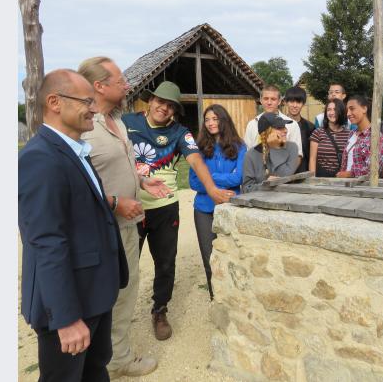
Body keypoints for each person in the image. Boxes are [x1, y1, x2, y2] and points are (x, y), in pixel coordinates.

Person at [19, 69, 129, 382]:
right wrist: (66, 318)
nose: (94, 109)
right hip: (70, 305)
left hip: (93, 293)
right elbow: (46, 241)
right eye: (86, 101)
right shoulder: (40, 158)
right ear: (54, 102)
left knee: (95, 371)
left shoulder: (74, 150)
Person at [123, 81, 235, 341]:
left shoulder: (179, 132)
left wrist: (213, 190)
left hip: (165, 207)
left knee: (165, 263)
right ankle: (119, 317)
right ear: (150, 101)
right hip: (130, 207)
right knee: (126, 266)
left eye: (170, 105)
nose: (164, 108)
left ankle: (160, 310)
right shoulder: (126, 123)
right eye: (160, 101)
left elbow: (196, 161)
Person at [78, 57, 168, 378]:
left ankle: (112, 357)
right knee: (106, 295)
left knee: (125, 292)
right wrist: (115, 203)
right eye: (120, 80)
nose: (127, 85)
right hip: (102, 230)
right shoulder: (84, 127)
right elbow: (76, 183)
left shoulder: (115, 120)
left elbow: (114, 167)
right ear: (99, 86)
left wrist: (143, 181)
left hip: (126, 226)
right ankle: (114, 360)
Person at [189, 104, 247, 301]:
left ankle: (235, 298)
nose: (211, 123)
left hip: (230, 208)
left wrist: (209, 176)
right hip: (204, 209)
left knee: (233, 255)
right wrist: (221, 178)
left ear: (224, 120)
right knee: (209, 257)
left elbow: (239, 177)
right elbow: (193, 181)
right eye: (207, 120)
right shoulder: (198, 149)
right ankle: (216, 298)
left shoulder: (240, 146)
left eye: (215, 119)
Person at [244, 85, 303, 164]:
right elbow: (248, 153)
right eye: (266, 99)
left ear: (279, 101)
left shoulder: (292, 125)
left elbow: (297, 155)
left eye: (273, 99)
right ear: (261, 100)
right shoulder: (252, 124)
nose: (269, 102)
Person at [242, 112, 300, 192]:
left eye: (284, 127)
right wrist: (265, 185)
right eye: (279, 128)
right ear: (266, 132)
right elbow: (246, 188)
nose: (286, 130)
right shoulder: (251, 156)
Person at [337, 95, 383, 178]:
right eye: (347, 110)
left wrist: (349, 174)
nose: (348, 113)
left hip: (363, 188)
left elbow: (375, 169)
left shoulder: (375, 136)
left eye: (352, 109)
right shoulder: (352, 134)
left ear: (364, 109)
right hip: (345, 186)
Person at [309, 99, 351, 177]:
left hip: (341, 178)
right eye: (329, 110)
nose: (331, 113)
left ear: (341, 112)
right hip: (321, 177)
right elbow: (312, 159)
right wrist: (312, 179)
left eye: (335, 110)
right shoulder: (317, 133)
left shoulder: (349, 135)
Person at [283, 86, 315, 173]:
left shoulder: (310, 127)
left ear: (303, 104)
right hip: (282, 175)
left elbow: (312, 155)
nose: (295, 105)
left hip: (304, 174)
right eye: (291, 101)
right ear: (285, 102)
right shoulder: (278, 125)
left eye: (298, 102)